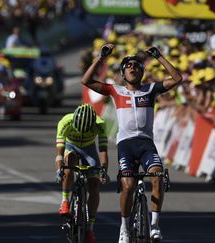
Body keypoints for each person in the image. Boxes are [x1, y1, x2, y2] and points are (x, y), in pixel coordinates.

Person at [81, 43, 182, 243]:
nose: (133, 68)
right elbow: (86, 80)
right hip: (126, 144)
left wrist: (159, 57)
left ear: (142, 72)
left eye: (137, 66)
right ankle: (124, 229)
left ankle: (154, 226)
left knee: (157, 177)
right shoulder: (116, 91)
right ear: (123, 73)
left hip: (146, 144)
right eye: (129, 66)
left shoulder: (151, 89)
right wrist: (101, 57)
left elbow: (178, 78)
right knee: (128, 186)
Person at [54, 103, 109, 243]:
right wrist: (59, 169)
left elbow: (103, 150)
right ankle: (65, 200)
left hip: (89, 148)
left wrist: (103, 170)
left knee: (94, 185)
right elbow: (59, 153)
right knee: (69, 161)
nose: (82, 133)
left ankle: (90, 228)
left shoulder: (100, 124)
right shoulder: (65, 122)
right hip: (71, 146)